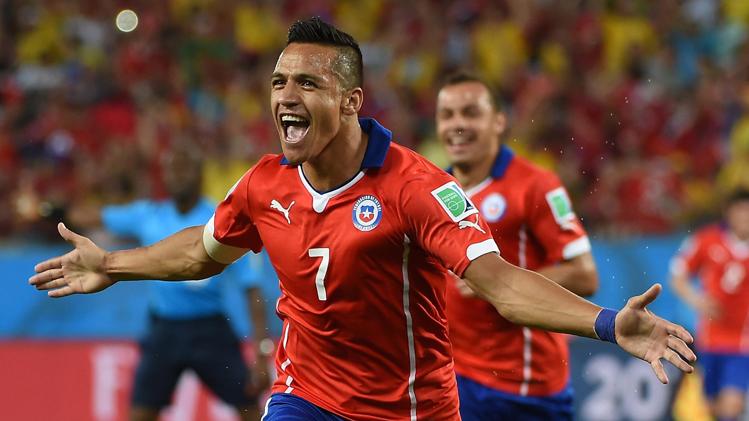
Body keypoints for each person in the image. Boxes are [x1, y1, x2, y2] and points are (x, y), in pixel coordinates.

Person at [29, 17, 695, 421]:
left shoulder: (416, 188)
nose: (286, 96)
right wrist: (111, 264)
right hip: (305, 395)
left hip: (409, 406)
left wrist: (608, 323)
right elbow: (202, 253)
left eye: (307, 83)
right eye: (279, 82)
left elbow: (500, 285)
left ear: (351, 101)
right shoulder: (263, 183)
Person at [66, 145, 274, 421]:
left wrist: (261, 353)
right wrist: (59, 207)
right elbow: (84, 216)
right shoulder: (148, 214)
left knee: (249, 408)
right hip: (164, 330)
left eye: (184, 167)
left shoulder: (223, 218)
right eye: (172, 169)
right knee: (139, 414)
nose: (177, 175)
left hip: (209, 331)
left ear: (199, 174)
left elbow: (252, 289)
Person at [435, 72, 599, 420]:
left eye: (470, 113)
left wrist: (495, 282)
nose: (457, 124)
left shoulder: (536, 185)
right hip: (454, 377)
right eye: (447, 115)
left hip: (522, 388)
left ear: (498, 121)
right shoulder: (432, 191)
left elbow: (585, 276)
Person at [670, 189, 749, 421]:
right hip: (710, 339)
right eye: (740, 210)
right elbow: (677, 275)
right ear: (729, 213)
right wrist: (697, 300)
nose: (745, 216)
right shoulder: (706, 240)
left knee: (731, 405)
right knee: (711, 406)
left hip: (742, 343)